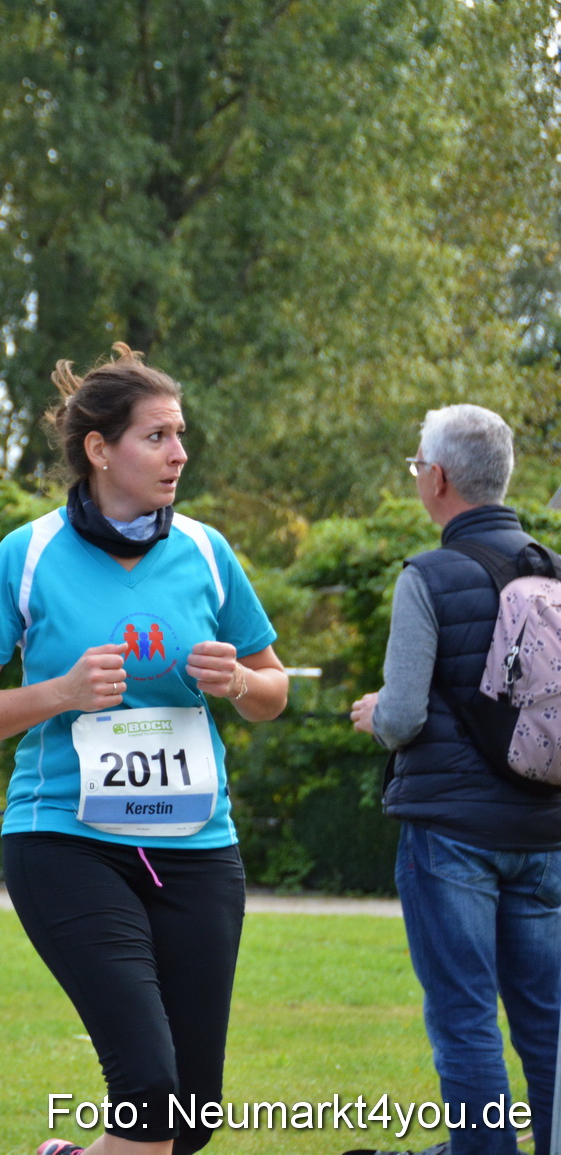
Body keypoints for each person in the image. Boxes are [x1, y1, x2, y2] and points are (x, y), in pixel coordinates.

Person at [0, 345, 288, 1155]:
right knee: (152, 1096)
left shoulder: (205, 550)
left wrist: (237, 683)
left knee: (188, 1125)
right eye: (158, 435)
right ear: (100, 448)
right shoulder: (26, 556)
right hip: (67, 840)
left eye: (181, 434)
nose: (180, 453)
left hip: (198, 849)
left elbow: (274, 690)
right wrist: (56, 693)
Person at [349, 404, 561, 1155]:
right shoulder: (553, 571)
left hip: (452, 837)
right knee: (547, 1024)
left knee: (466, 1019)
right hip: (545, 831)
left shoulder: (429, 576)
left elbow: (403, 716)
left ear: (436, 478)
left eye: (416, 467)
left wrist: (374, 712)